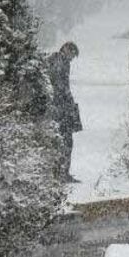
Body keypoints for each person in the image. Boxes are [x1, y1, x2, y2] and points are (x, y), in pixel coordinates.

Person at [47, 42, 82, 183]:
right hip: (60, 110)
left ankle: (59, 173)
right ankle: (61, 173)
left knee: (61, 141)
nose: (72, 59)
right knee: (65, 141)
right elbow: (60, 86)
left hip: (58, 108)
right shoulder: (60, 61)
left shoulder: (56, 60)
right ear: (67, 50)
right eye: (72, 55)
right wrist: (69, 103)